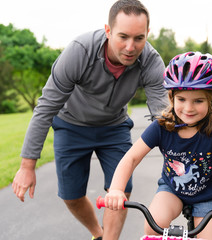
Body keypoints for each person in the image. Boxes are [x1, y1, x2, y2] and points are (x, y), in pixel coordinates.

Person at [11, 0, 168, 239]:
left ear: (148, 34)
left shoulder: (151, 61)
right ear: (108, 31)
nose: (130, 46)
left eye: (139, 38)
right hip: (71, 125)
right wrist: (27, 166)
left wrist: (179, 154)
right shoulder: (80, 51)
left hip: (114, 128)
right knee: (71, 196)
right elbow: (45, 108)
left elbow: (162, 114)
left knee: (120, 191)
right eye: (123, 36)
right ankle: (98, 233)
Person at [103, 51, 212, 240]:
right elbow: (131, 157)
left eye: (198, 101)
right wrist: (117, 189)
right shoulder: (161, 127)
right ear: (171, 98)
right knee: (153, 227)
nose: (188, 108)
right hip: (172, 191)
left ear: (211, 101)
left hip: (206, 197)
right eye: (181, 99)